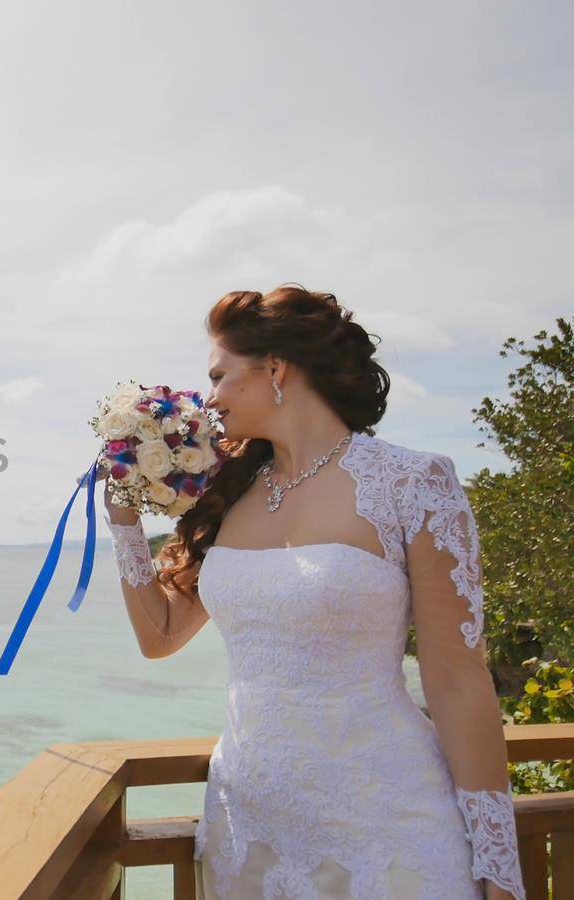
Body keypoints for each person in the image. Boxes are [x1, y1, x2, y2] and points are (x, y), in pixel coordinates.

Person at [102, 285, 526, 899]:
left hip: (386, 820)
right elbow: (159, 636)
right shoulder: (224, 495)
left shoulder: (413, 483)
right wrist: (123, 519)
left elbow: (458, 680)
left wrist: (498, 862)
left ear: (274, 368)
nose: (211, 398)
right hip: (248, 826)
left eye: (219, 376)